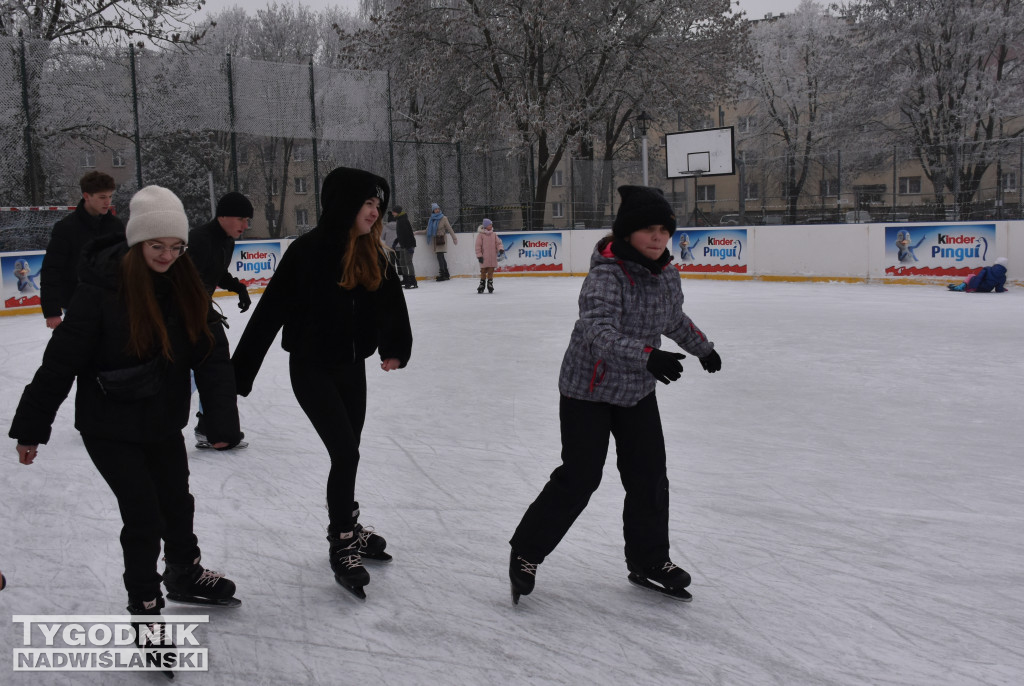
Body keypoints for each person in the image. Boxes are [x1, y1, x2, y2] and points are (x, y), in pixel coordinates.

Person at [9, 185, 242, 627]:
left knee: (177, 501)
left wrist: (221, 418)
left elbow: (210, 351)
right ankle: (146, 608)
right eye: (157, 245)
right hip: (108, 423)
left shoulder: (184, 281)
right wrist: (31, 429)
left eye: (176, 246)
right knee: (142, 514)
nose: (167, 255)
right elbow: (59, 364)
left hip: (160, 418)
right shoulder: (100, 289)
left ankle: (183, 573)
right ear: (137, 242)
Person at [507, 185, 723, 605]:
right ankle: (526, 551)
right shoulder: (606, 274)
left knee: (649, 477)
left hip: (637, 390)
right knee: (581, 478)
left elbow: (672, 317)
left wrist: (703, 348)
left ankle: (649, 560)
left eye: (664, 230)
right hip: (587, 390)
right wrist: (647, 356)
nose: (658, 238)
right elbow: (598, 331)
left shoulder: (667, 273)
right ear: (626, 233)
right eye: (648, 229)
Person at [232, 167, 413, 600]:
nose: (375, 211)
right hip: (311, 369)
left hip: (353, 369)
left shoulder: (375, 252)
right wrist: (237, 378)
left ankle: (348, 523)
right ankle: (342, 542)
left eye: (377, 204)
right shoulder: (307, 251)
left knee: (349, 452)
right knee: (345, 451)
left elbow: (392, 306)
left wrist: (395, 347)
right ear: (345, 204)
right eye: (367, 203)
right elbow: (269, 312)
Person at [188, 191, 254, 449]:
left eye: (247, 220)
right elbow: (184, 279)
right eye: (241, 219)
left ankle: (210, 427)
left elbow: (216, 271)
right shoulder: (198, 239)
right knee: (194, 372)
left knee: (216, 371)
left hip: (203, 313)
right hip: (186, 315)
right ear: (223, 216)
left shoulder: (227, 241)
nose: (245, 226)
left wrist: (238, 287)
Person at [40, 171, 126, 329]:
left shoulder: (116, 226)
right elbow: (51, 270)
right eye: (102, 197)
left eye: (110, 196)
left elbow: (124, 264)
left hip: (111, 301)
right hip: (76, 302)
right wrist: (51, 311)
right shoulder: (66, 228)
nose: (107, 202)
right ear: (87, 196)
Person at [415, 203, 458, 281]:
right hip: (435, 240)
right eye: (435, 209)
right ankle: (446, 274)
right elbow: (427, 231)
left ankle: (443, 274)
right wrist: (417, 232)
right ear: (433, 211)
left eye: (438, 209)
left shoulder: (444, 218)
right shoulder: (432, 219)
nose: (437, 210)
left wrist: (454, 238)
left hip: (441, 239)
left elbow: (449, 228)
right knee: (441, 256)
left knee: (440, 256)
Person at [474, 218, 504, 293]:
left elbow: (499, 243)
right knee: (483, 271)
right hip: (484, 258)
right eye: (490, 224)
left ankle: (490, 284)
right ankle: (482, 284)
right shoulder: (481, 235)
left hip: (492, 257)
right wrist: (479, 256)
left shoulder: (494, 235)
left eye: (491, 224)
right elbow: (478, 246)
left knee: (491, 271)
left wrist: (500, 249)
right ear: (486, 226)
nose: (491, 225)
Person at [392, 205, 418, 289]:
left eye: (394, 211)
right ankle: (406, 279)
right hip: (403, 245)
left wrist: (409, 247)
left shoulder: (403, 220)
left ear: (397, 212)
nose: (392, 213)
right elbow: (401, 235)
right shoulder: (399, 220)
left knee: (408, 262)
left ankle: (412, 280)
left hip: (408, 245)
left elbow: (408, 234)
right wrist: (395, 242)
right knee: (402, 261)